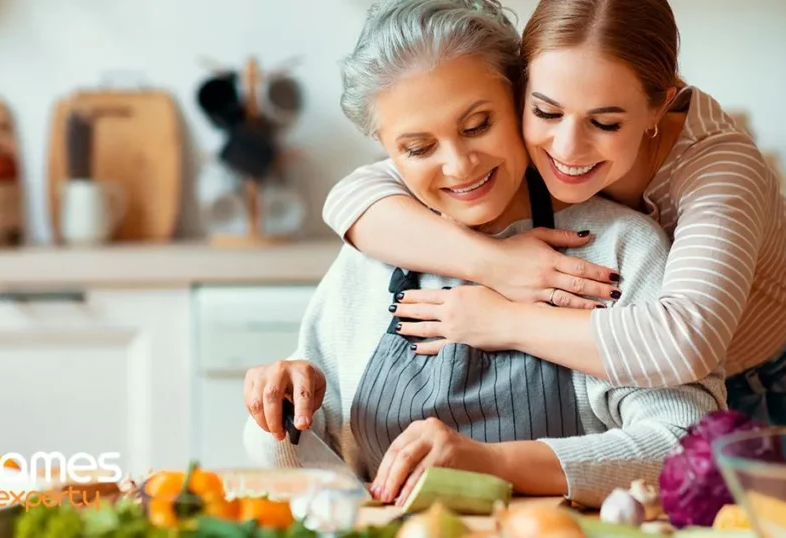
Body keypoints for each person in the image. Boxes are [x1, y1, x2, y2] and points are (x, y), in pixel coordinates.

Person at [243, 0, 725, 508]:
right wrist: (281, 419)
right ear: (386, 149)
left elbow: (685, 447)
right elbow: (331, 486)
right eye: (418, 148)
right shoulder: (370, 254)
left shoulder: (619, 247)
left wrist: (492, 464)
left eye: (477, 125)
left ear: (519, 96)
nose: (458, 166)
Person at [319, 0, 786, 426]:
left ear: (658, 105)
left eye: (606, 123)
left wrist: (499, 320)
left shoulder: (720, 169)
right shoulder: (500, 134)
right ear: (522, 88)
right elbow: (354, 196)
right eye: (545, 111)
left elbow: (683, 343)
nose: (566, 150)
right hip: (659, 394)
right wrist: (496, 263)